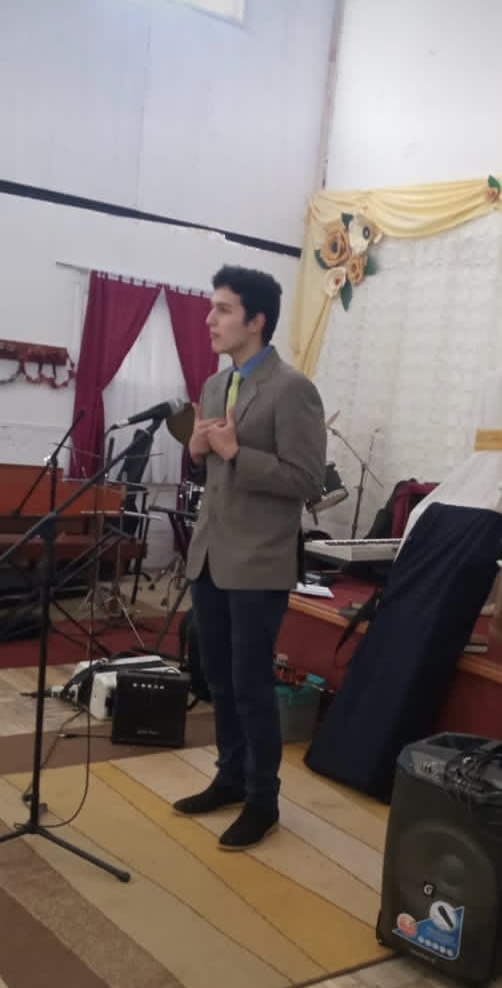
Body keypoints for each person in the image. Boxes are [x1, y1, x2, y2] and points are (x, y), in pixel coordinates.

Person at [173, 265, 326, 850]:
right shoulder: (215, 386)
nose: (209, 320)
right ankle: (230, 777)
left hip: (259, 561)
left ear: (256, 320)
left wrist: (238, 453)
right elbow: (211, 472)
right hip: (211, 556)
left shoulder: (292, 389)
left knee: (250, 683)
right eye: (212, 308)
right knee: (216, 677)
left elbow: (307, 480)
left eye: (223, 309)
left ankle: (264, 800)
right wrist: (195, 452)